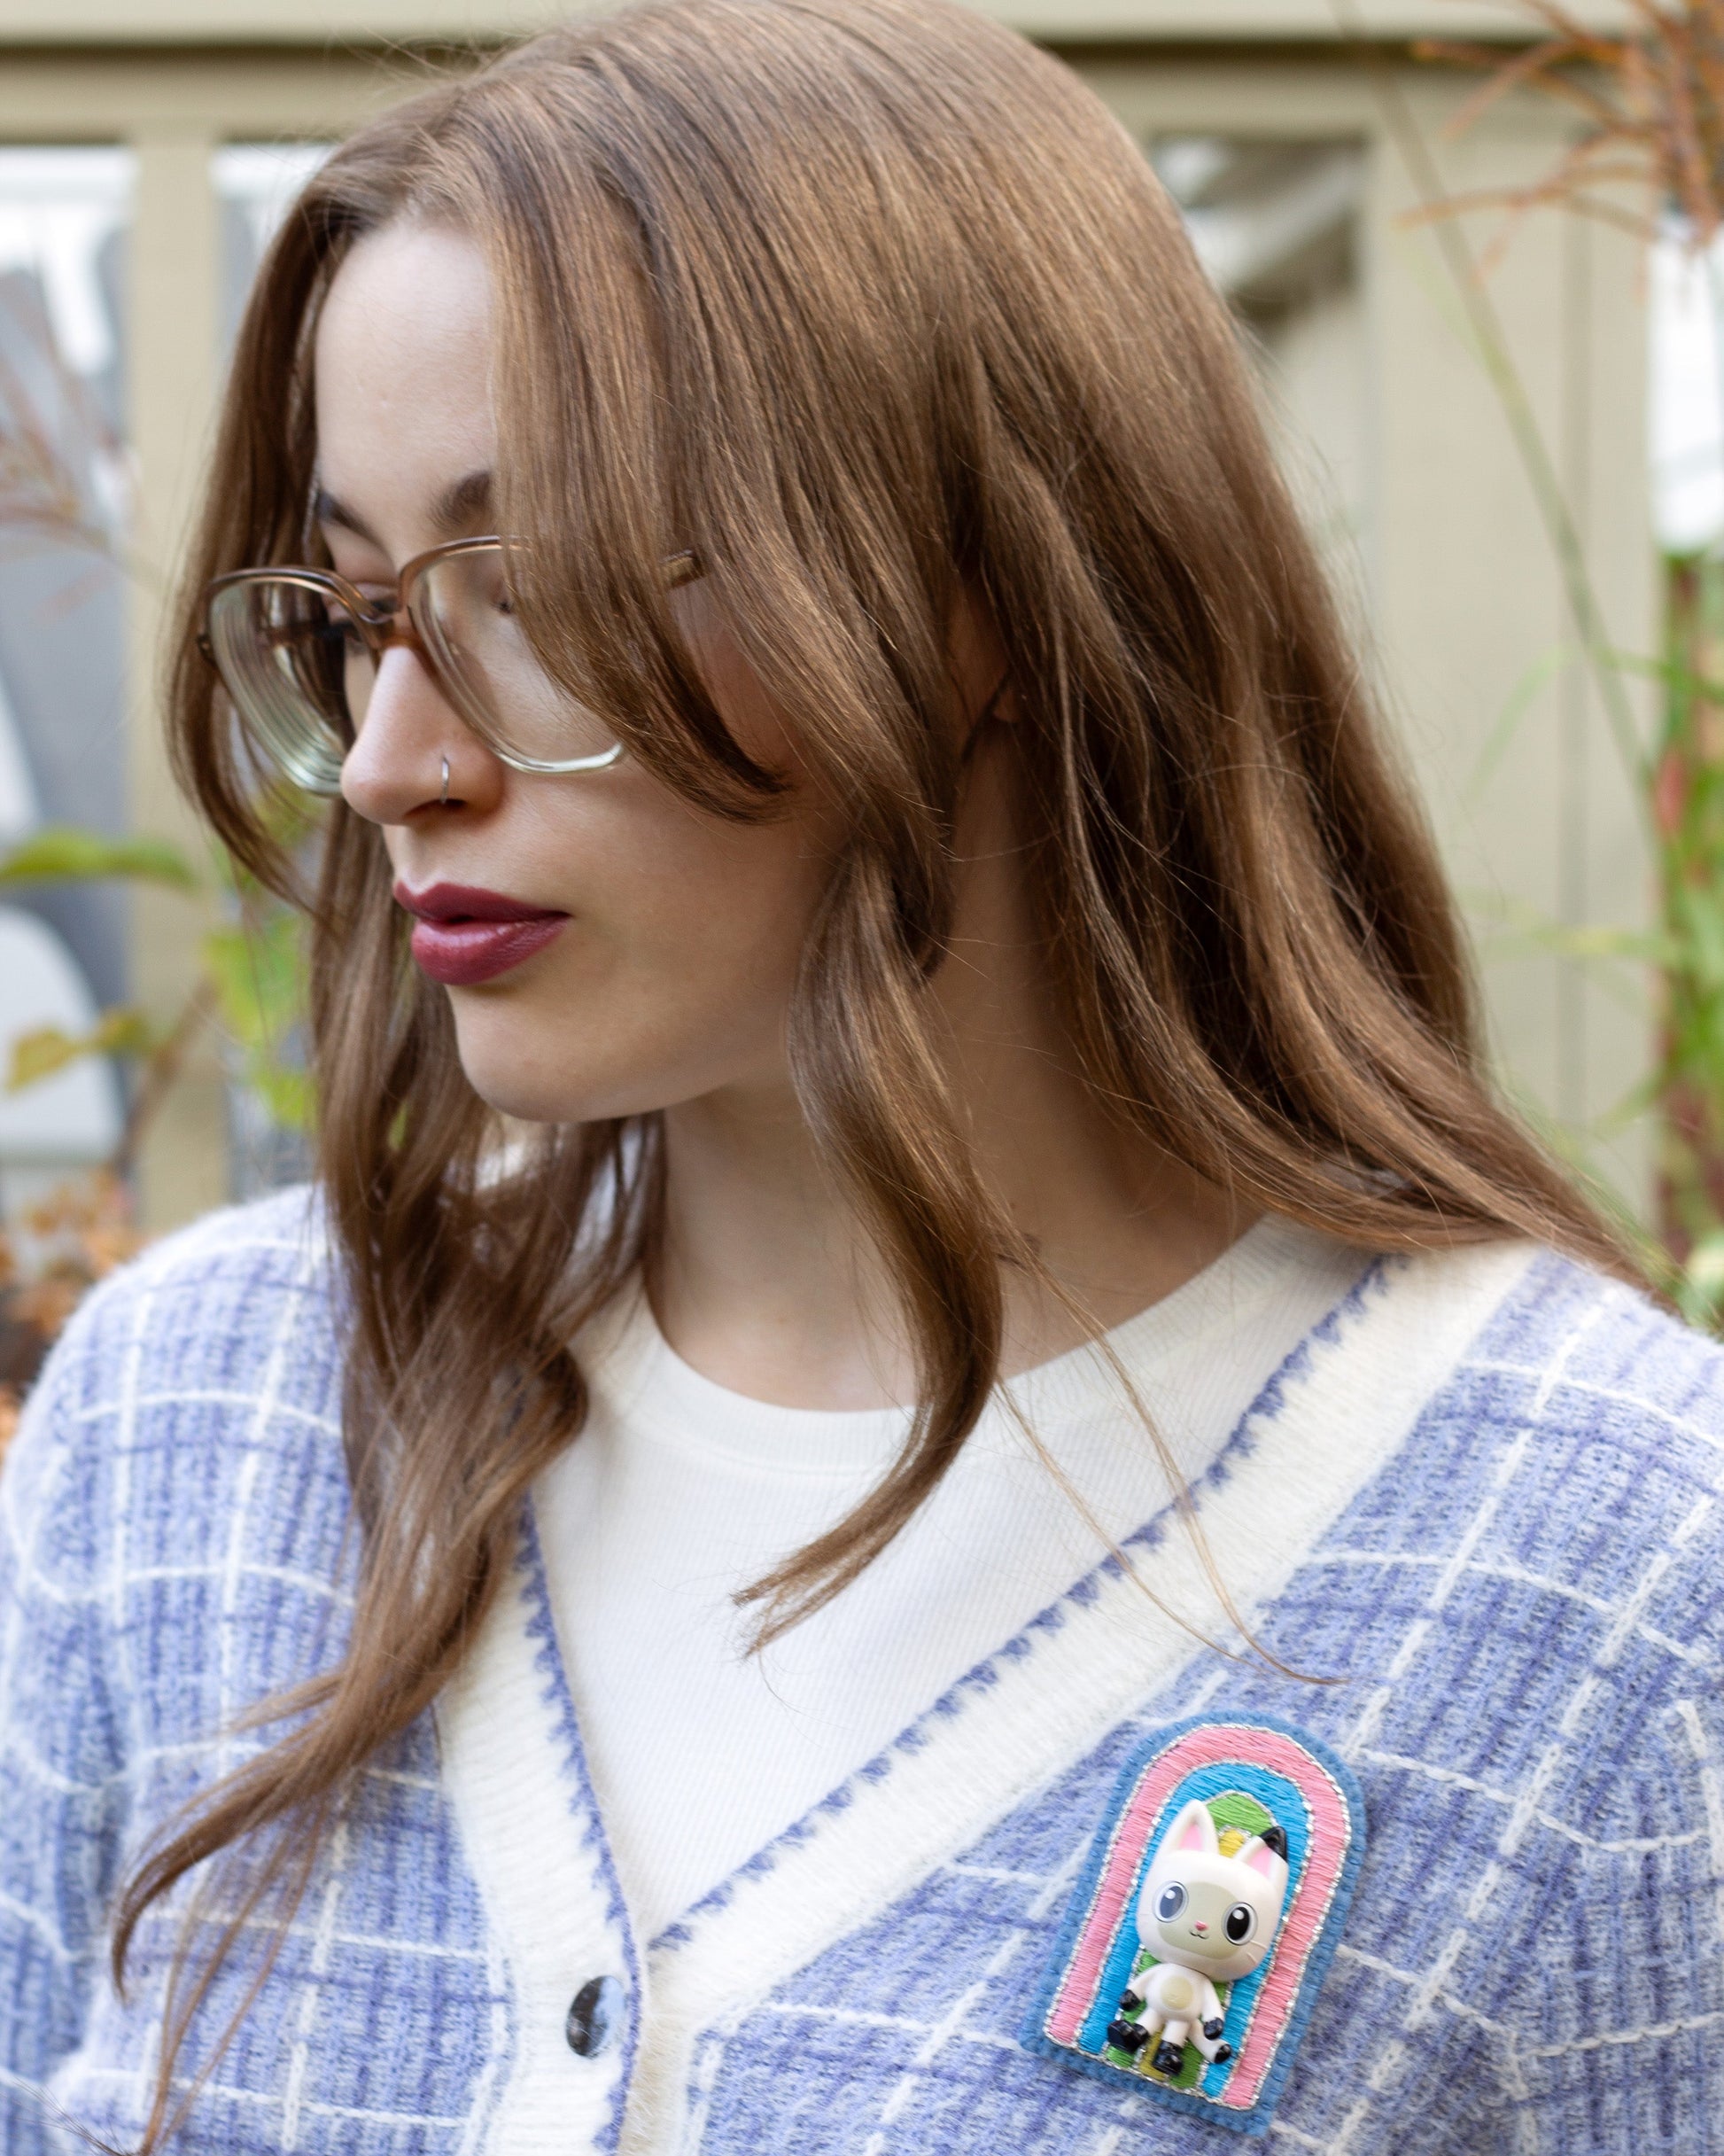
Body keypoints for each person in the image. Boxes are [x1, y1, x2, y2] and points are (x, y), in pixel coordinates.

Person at [1, 2, 1719, 2149]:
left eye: (526, 587)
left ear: (991, 596)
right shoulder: (194, 1429)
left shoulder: (1610, 1570)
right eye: (356, 608)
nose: (388, 760)